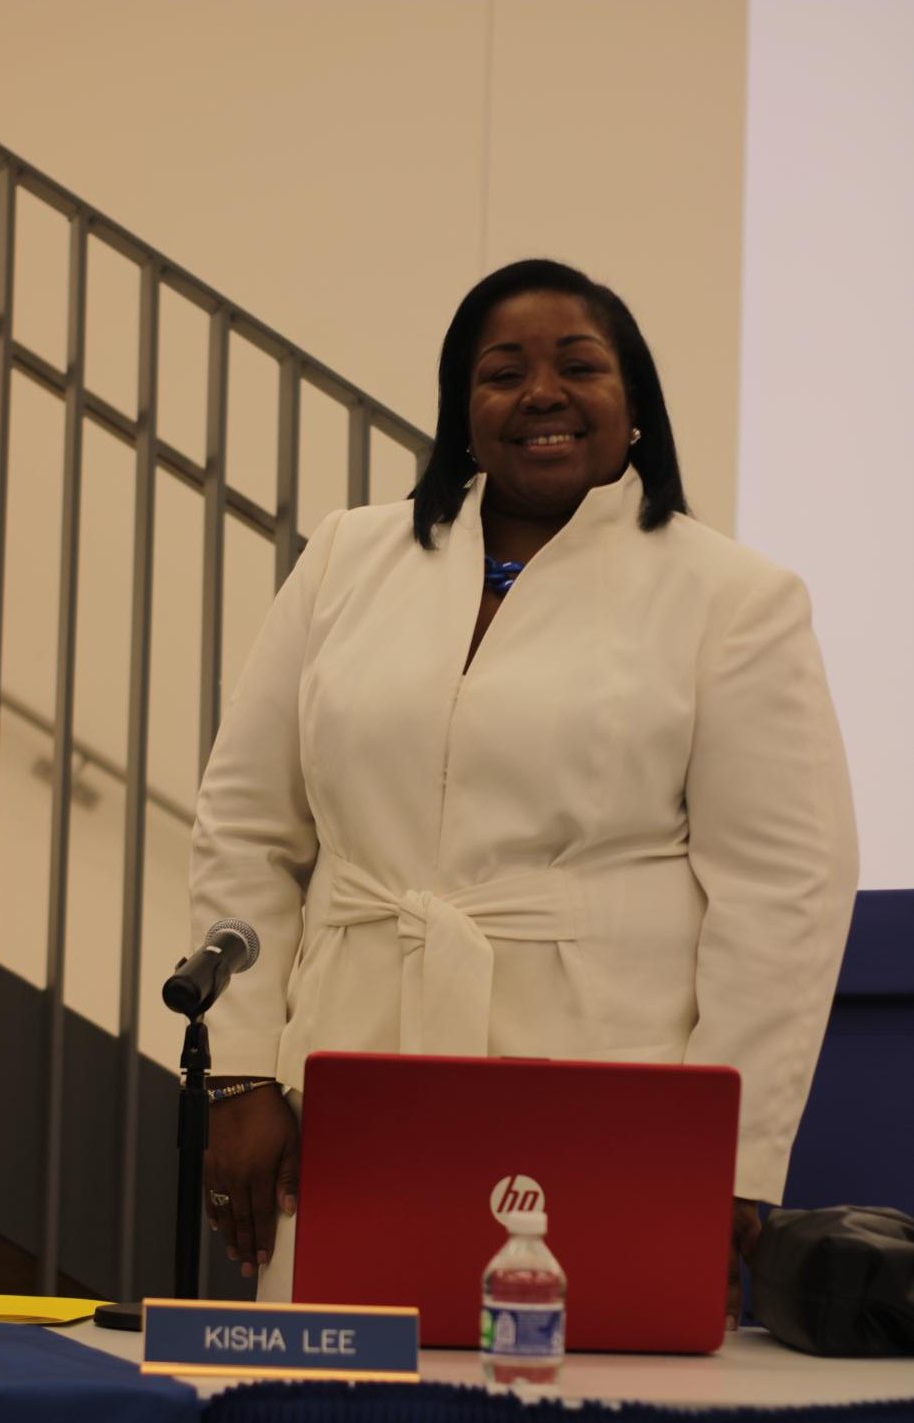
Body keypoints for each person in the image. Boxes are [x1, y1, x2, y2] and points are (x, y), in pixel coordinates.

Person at [191, 258, 858, 1322]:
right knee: (333, 1394)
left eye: (578, 366)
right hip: (348, 1076)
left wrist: (727, 1158)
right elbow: (244, 826)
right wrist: (239, 1071)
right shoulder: (344, 561)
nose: (540, 392)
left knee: (562, 1397)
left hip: (602, 1093)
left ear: (631, 403)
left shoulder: (732, 598)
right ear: (463, 412)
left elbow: (784, 893)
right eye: (501, 372)